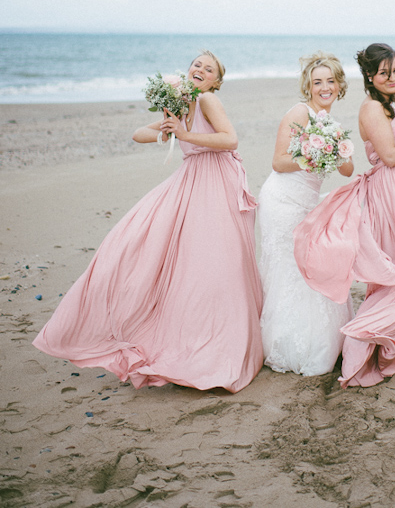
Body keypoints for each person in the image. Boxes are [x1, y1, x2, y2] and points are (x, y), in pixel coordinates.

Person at [33, 51, 263, 393]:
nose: (200, 69)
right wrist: (168, 129)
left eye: (208, 68)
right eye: (196, 64)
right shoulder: (182, 105)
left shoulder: (209, 100)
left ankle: (219, 342)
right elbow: (138, 134)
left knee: (215, 260)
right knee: (149, 243)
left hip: (216, 180)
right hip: (190, 179)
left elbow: (230, 139)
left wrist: (185, 136)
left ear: (217, 81)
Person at [294, 43, 395, 388]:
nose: (393, 77)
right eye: (385, 72)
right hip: (392, 195)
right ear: (370, 77)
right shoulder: (372, 109)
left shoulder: (388, 107)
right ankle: (363, 341)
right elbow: (390, 156)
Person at [258, 52, 355, 376]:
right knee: (288, 270)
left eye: (330, 81)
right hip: (283, 200)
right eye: (317, 82)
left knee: (312, 266)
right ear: (308, 86)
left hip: (308, 204)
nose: (324, 87)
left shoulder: (334, 125)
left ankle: (319, 338)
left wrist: (332, 147)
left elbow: (347, 168)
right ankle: (282, 343)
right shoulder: (299, 112)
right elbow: (279, 161)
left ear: (339, 86)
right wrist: (312, 156)